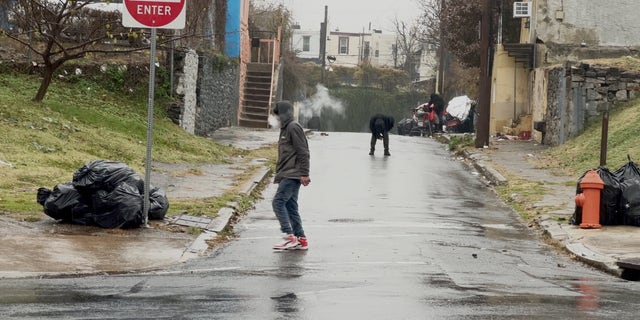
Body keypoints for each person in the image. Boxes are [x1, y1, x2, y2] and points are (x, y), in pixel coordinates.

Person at [271, 100, 311, 251]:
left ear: (284, 114)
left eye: (278, 115)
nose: (277, 118)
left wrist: (305, 173)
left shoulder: (293, 127)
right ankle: (301, 239)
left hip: (292, 174)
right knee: (290, 206)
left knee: (278, 202)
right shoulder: (286, 128)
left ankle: (289, 236)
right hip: (288, 173)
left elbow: (303, 151)